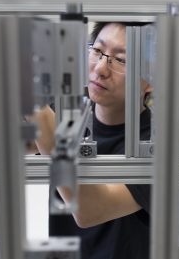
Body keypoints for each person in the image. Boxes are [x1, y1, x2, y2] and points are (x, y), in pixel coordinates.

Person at [26, 22, 154, 259]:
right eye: (97, 51)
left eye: (122, 60)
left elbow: (90, 210)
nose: (101, 68)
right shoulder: (66, 116)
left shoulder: (159, 143)